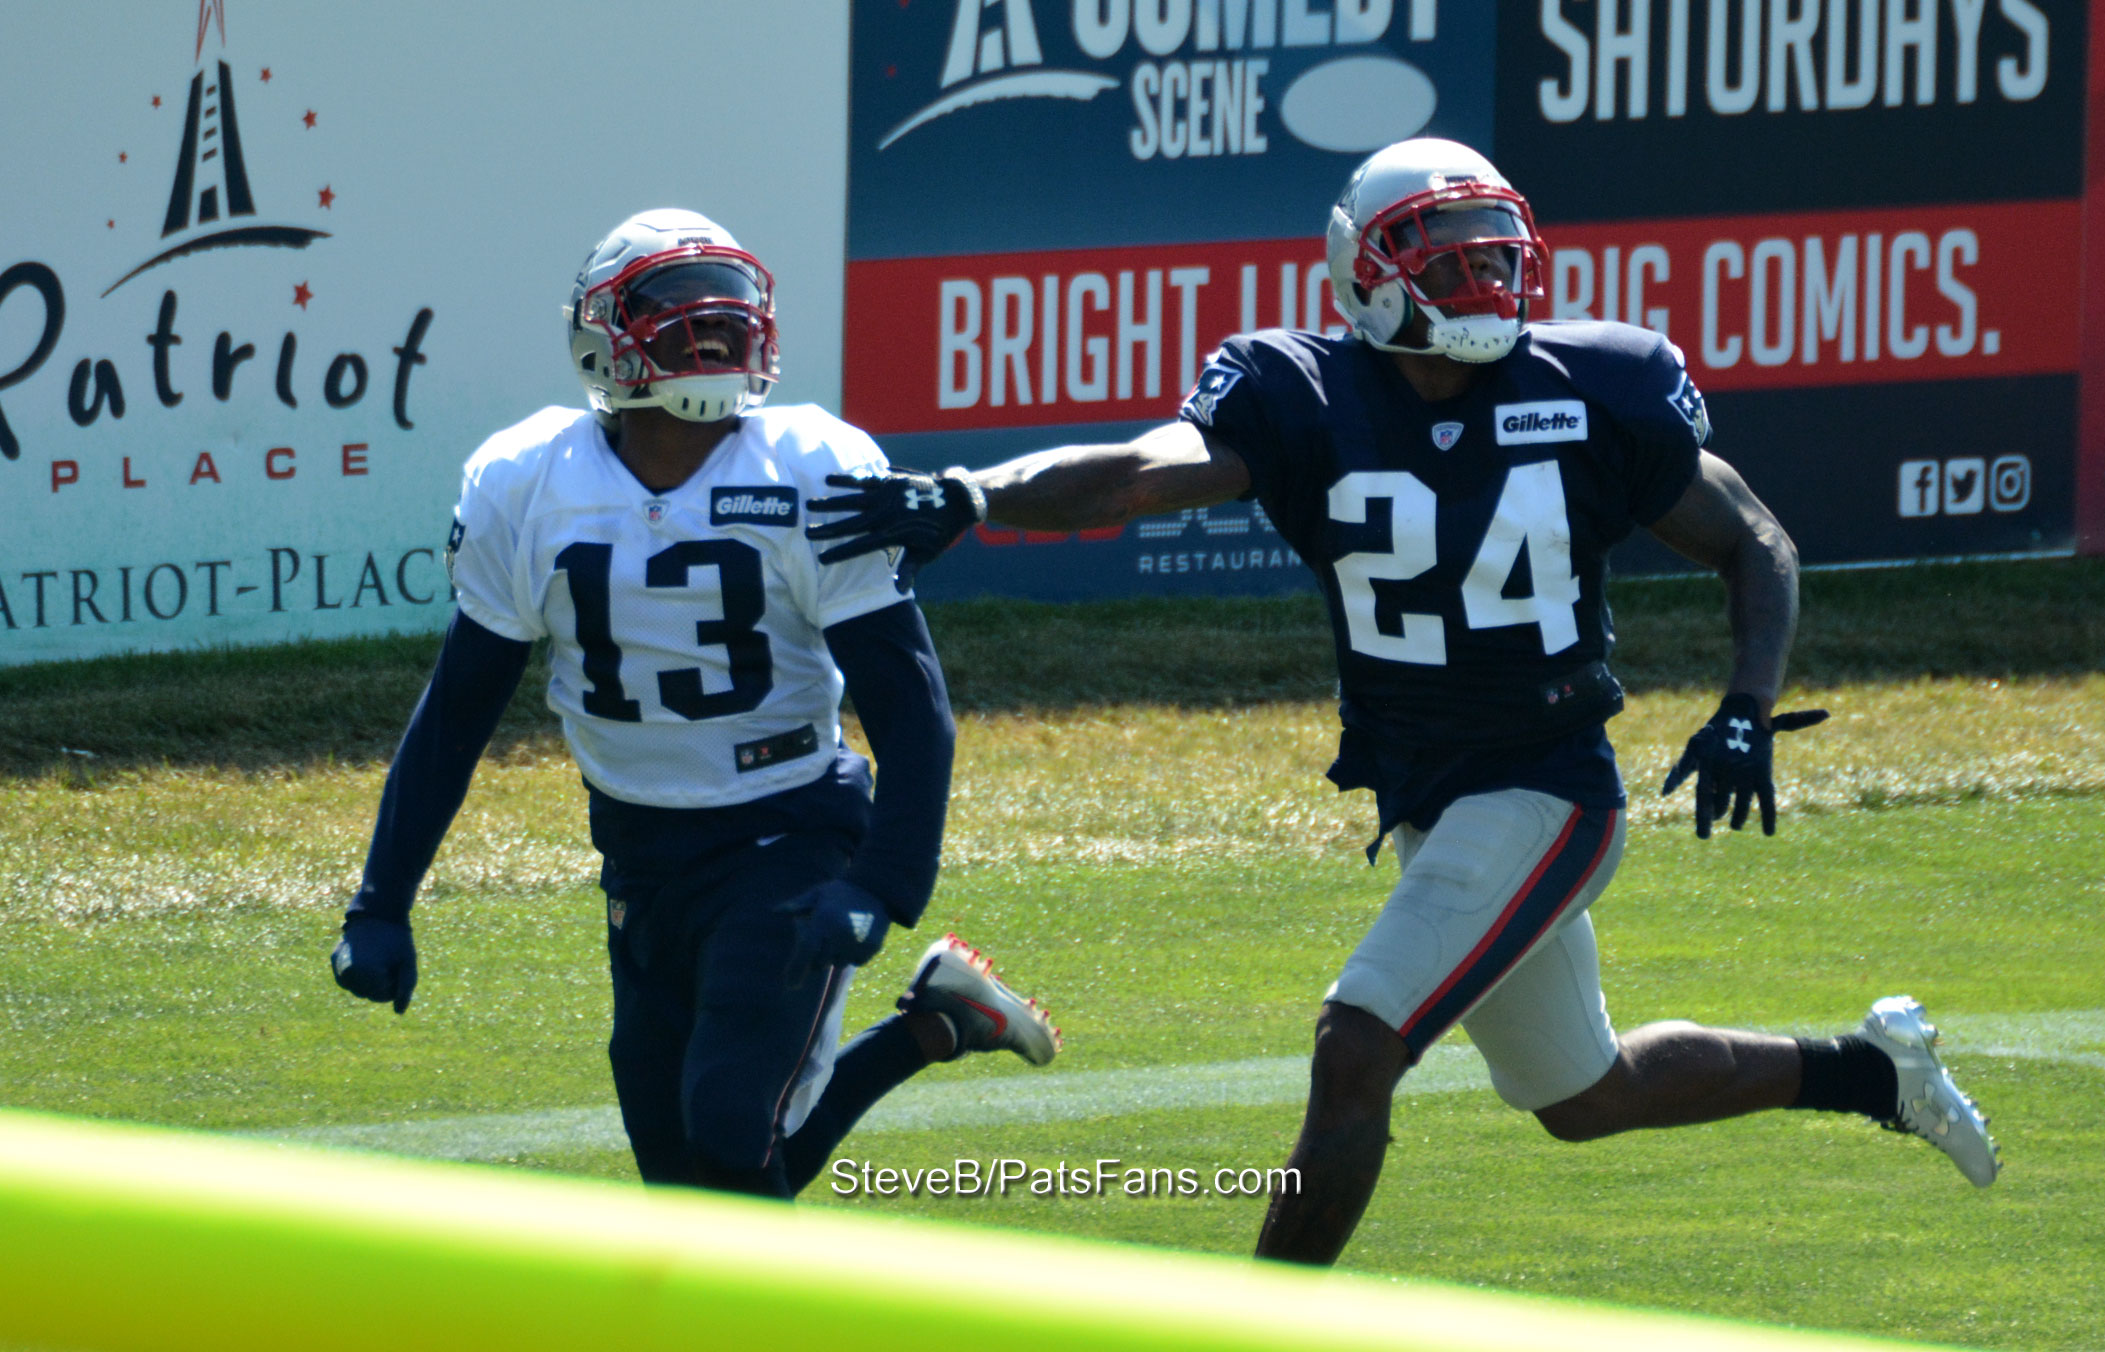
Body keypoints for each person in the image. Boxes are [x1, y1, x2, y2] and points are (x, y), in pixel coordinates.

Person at [807, 140, 1996, 1263]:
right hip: (1433, 793)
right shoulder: (1301, 390)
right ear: (1368, 273)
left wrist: (1744, 701)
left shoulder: (1597, 383)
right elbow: (1134, 472)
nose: (1483, 283)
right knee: (1582, 1093)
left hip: (1546, 787)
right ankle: (1870, 1069)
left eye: (1494, 256)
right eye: (1449, 261)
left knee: (1356, 1042)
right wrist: (973, 493)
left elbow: (1752, 539)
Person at [329, 209, 1058, 1198]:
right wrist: (382, 898)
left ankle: (921, 1045)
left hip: (788, 830)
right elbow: (459, 709)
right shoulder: (525, 480)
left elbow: (909, 702)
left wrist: (882, 883)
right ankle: (935, 1026)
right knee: (681, 1171)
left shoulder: (812, 464)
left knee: (726, 1124)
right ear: (601, 333)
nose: (711, 329)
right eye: (676, 308)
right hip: (638, 849)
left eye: (725, 309)